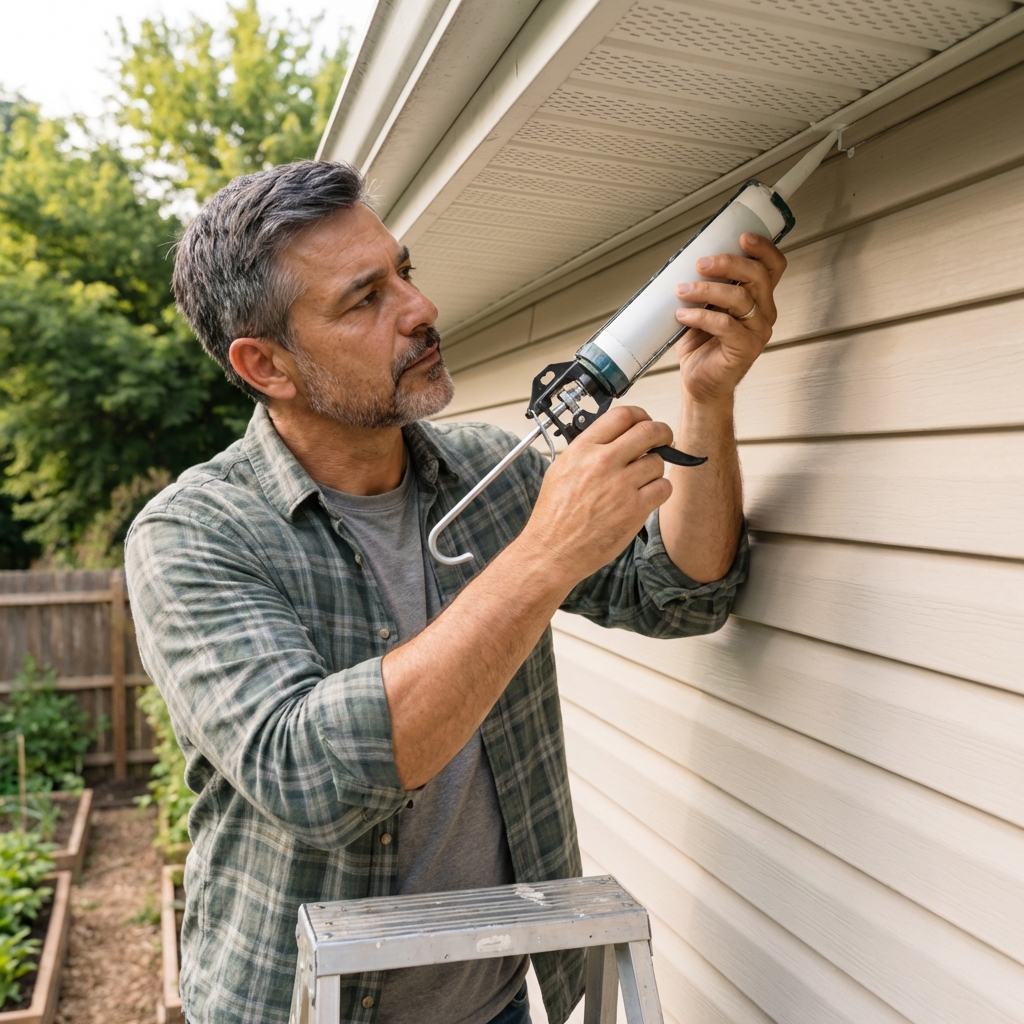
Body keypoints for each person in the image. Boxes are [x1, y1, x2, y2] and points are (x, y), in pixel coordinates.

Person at [125, 159, 786, 1024]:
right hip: (300, 1006)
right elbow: (311, 776)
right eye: (364, 299)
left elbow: (679, 595)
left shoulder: (484, 473)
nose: (419, 308)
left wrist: (708, 396)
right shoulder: (193, 536)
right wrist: (542, 556)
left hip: (497, 997)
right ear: (267, 365)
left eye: (405, 271)